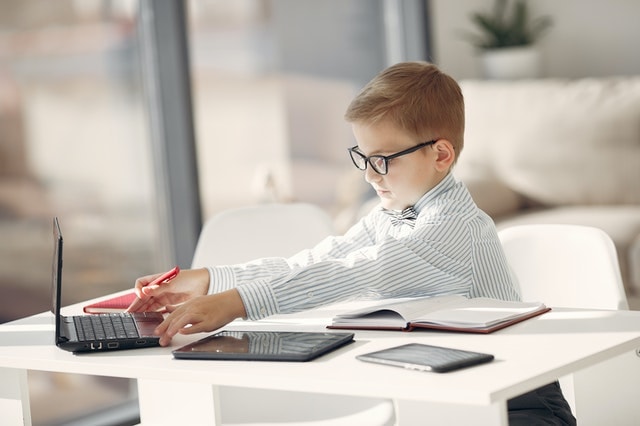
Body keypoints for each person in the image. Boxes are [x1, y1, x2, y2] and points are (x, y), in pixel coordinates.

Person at [128, 61, 575, 425]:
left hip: (519, 406)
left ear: (440, 155)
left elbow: (354, 273)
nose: (368, 175)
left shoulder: (452, 228)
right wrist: (208, 279)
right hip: (450, 398)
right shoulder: (392, 216)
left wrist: (237, 302)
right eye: (363, 157)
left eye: (381, 160)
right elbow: (320, 258)